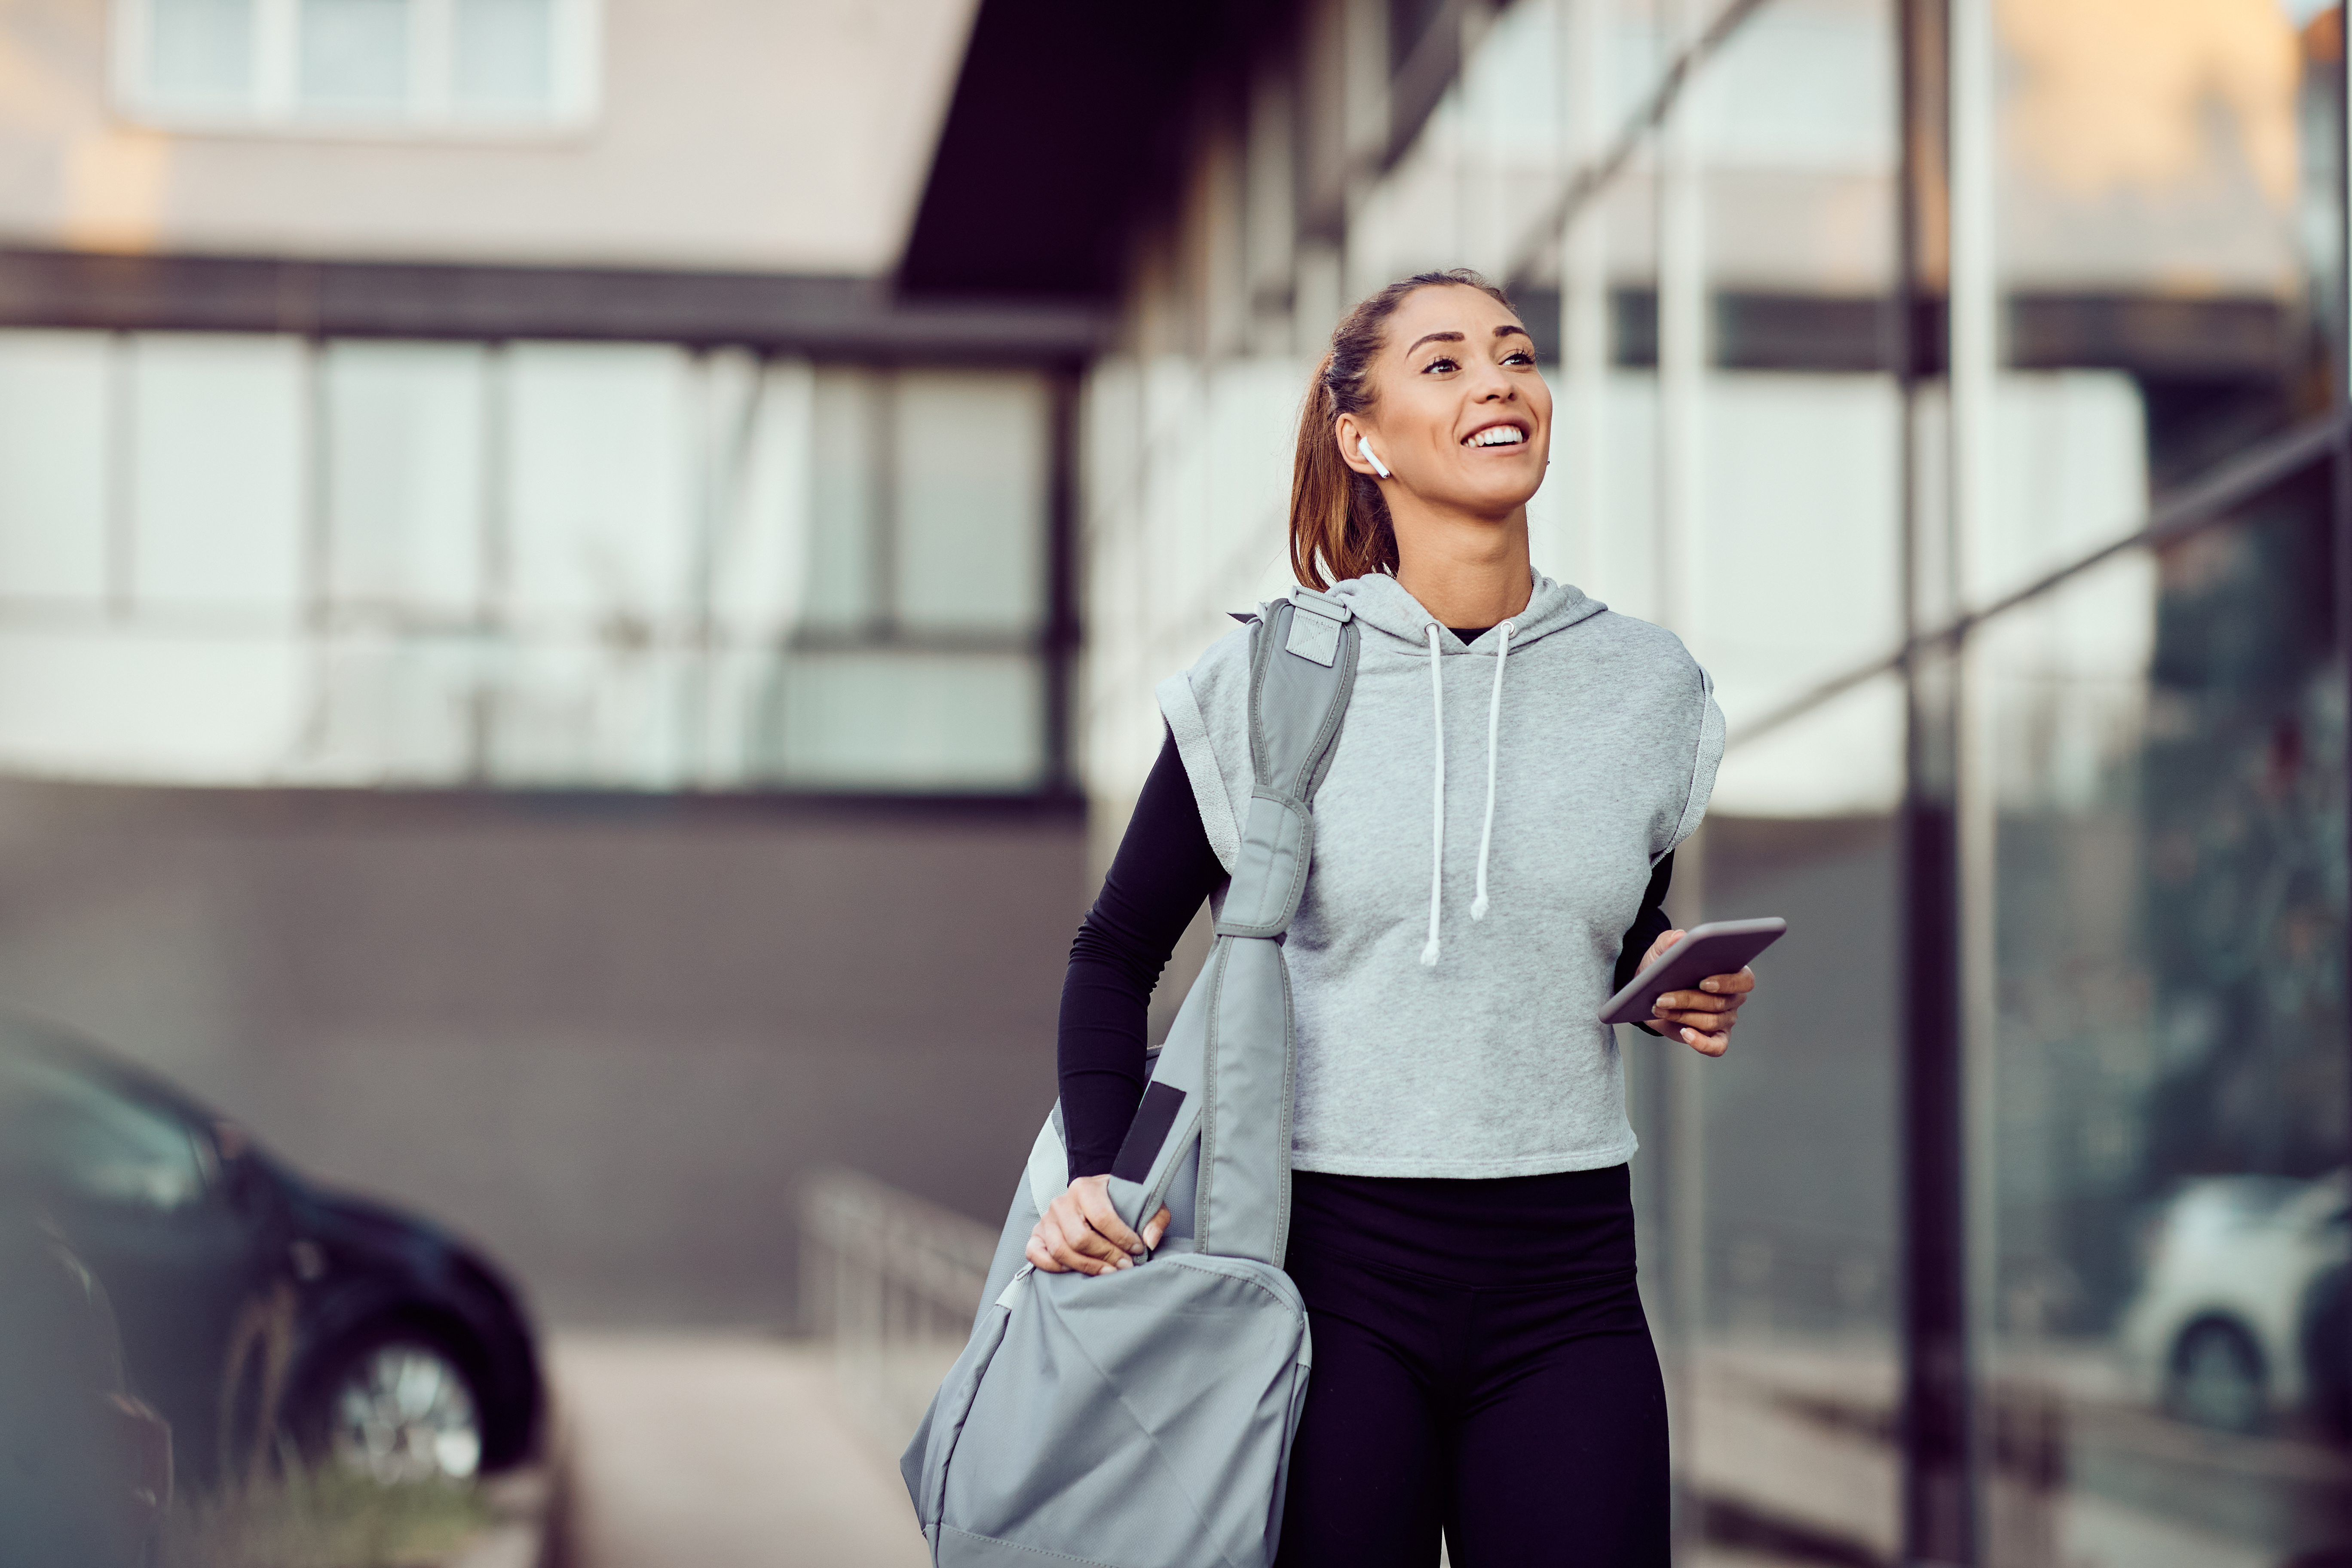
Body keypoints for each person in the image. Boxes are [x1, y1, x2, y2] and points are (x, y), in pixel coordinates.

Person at [1028, 269, 1755, 1566]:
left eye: (1516, 354)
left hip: (1569, 1270)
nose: (1497, 380)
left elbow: (1615, 923)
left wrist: (1669, 975)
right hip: (1324, 1269)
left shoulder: (1647, 686)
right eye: (1445, 362)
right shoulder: (1272, 676)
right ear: (1363, 441)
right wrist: (1101, 1173)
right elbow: (1114, 954)